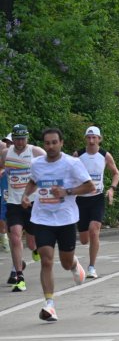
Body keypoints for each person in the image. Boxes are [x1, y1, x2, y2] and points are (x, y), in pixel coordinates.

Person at [21, 127, 96, 322]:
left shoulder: (72, 163)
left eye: (55, 142)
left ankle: (74, 264)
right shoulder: (37, 163)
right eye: (47, 143)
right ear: (44, 145)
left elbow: (90, 186)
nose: (51, 146)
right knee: (46, 259)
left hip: (66, 219)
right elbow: (33, 181)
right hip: (42, 218)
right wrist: (26, 195)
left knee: (64, 262)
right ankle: (50, 305)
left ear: (61, 143)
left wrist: (67, 192)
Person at [0, 125, 45, 292]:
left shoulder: (35, 152)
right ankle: (19, 276)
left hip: (32, 201)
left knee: (32, 242)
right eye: (17, 139)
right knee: (15, 236)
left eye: (22, 139)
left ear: (27, 138)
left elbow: (52, 162)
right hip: (13, 202)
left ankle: (35, 250)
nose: (20, 142)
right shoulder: (6, 153)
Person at [73, 126, 119, 279]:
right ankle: (77, 263)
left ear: (100, 139)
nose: (91, 140)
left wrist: (112, 189)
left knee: (94, 230)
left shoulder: (105, 155)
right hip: (80, 199)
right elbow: (68, 173)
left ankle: (91, 267)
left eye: (94, 137)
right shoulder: (78, 155)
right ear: (85, 139)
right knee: (84, 239)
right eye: (89, 137)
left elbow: (116, 173)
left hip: (97, 198)